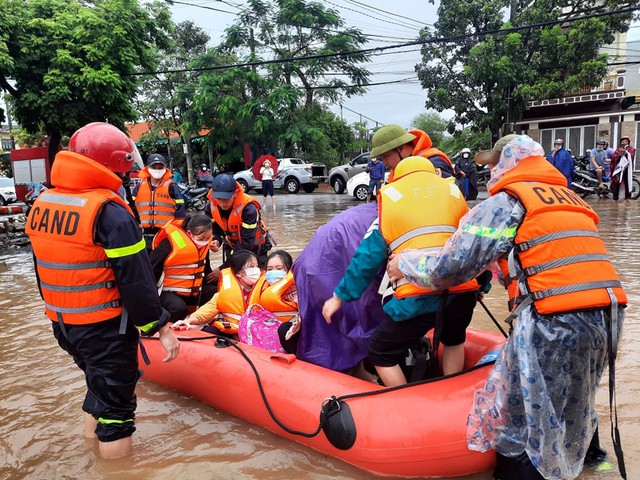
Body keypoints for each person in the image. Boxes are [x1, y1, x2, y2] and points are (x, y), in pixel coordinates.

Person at [387, 134, 627, 480]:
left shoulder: (507, 202)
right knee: (576, 400)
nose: (491, 171)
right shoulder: (570, 199)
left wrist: (405, 263)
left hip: (555, 320)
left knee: (519, 425)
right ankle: (596, 466)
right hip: (607, 314)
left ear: (507, 162)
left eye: (494, 163)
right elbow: (540, 256)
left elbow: (450, 267)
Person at [25, 122, 180, 459]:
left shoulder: (43, 203)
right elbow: (137, 282)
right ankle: (116, 470)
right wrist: (160, 327)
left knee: (99, 386)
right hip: (104, 328)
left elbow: (43, 270)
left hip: (63, 324)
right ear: (115, 166)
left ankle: (88, 451)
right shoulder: (109, 213)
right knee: (117, 413)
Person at [322, 155, 480, 387]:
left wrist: (339, 297)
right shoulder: (455, 195)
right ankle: (451, 392)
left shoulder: (391, 200)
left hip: (418, 297)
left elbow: (366, 257)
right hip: (462, 293)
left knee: (379, 351)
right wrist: (483, 284)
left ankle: (404, 402)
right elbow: (478, 246)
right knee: (454, 339)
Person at [292, 201, 386, 373]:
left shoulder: (379, 212)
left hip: (320, 264)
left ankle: (357, 373)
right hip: (327, 268)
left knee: (334, 329)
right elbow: (364, 267)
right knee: (350, 327)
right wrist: (339, 296)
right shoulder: (387, 217)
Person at [171, 250, 260, 335]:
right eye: (251, 267)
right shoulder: (224, 295)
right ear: (238, 273)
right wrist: (188, 321)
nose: (256, 270)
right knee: (209, 331)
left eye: (257, 266)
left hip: (258, 333)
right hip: (233, 331)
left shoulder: (262, 290)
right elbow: (207, 310)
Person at [150, 213, 216, 323]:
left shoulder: (204, 244)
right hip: (167, 291)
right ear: (189, 233)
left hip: (193, 291)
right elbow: (152, 268)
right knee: (178, 308)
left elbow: (205, 266)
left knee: (218, 295)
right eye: (201, 238)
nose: (204, 241)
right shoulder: (169, 244)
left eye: (207, 238)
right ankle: (164, 329)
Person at [207, 173, 271, 268]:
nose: (222, 203)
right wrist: (216, 240)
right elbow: (216, 229)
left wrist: (223, 267)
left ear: (236, 193)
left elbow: (246, 243)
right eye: (219, 199)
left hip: (254, 250)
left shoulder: (248, 209)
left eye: (226, 199)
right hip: (233, 247)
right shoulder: (211, 206)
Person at [248, 250, 300, 353]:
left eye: (279, 268)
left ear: (288, 269)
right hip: (267, 331)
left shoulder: (296, 287)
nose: (273, 272)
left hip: (291, 329)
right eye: (270, 269)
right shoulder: (263, 285)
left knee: (285, 329)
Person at [132, 154, 185, 249]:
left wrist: (178, 229)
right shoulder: (139, 187)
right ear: (147, 168)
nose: (157, 170)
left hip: (165, 232)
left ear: (165, 168)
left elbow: (180, 211)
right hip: (143, 233)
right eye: (154, 167)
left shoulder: (171, 187)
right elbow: (131, 209)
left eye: (160, 167)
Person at [370, 124, 454, 179]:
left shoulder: (433, 164)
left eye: (385, 155)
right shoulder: (397, 170)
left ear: (400, 148)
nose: (384, 162)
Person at [610, 135, 636, 201]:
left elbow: (631, 156)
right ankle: (615, 198)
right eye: (623, 141)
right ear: (621, 142)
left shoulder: (631, 149)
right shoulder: (618, 149)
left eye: (626, 141)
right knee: (617, 182)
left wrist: (626, 153)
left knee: (627, 183)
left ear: (628, 142)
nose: (625, 142)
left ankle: (627, 197)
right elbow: (614, 158)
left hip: (627, 169)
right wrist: (620, 155)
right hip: (619, 169)